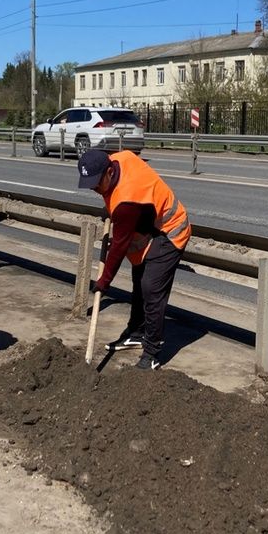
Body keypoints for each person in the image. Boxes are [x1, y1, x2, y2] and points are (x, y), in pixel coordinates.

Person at [77, 148, 191, 370]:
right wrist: (109, 205)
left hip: (171, 229)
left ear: (110, 171)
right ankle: (137, 333)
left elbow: (118, 247)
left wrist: (104, 282)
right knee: (140, 279)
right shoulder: (120, 158)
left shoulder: (127, 202)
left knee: (151, 287)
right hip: (148, 224)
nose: (93, 188)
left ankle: (152, 353)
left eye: (96, 183)